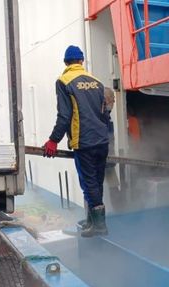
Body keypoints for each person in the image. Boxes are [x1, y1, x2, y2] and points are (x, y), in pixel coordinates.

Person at [43, 45, 110, 237]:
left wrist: (53, 140)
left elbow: (64, 115)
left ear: (66, 62)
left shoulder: (64, 81)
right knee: (97, 182)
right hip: (101, 140)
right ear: (81, 61)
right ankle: (92, 220)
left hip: (84, 141)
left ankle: (99, 225)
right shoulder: (97, 82)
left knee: (88, 182)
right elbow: (104, 112)